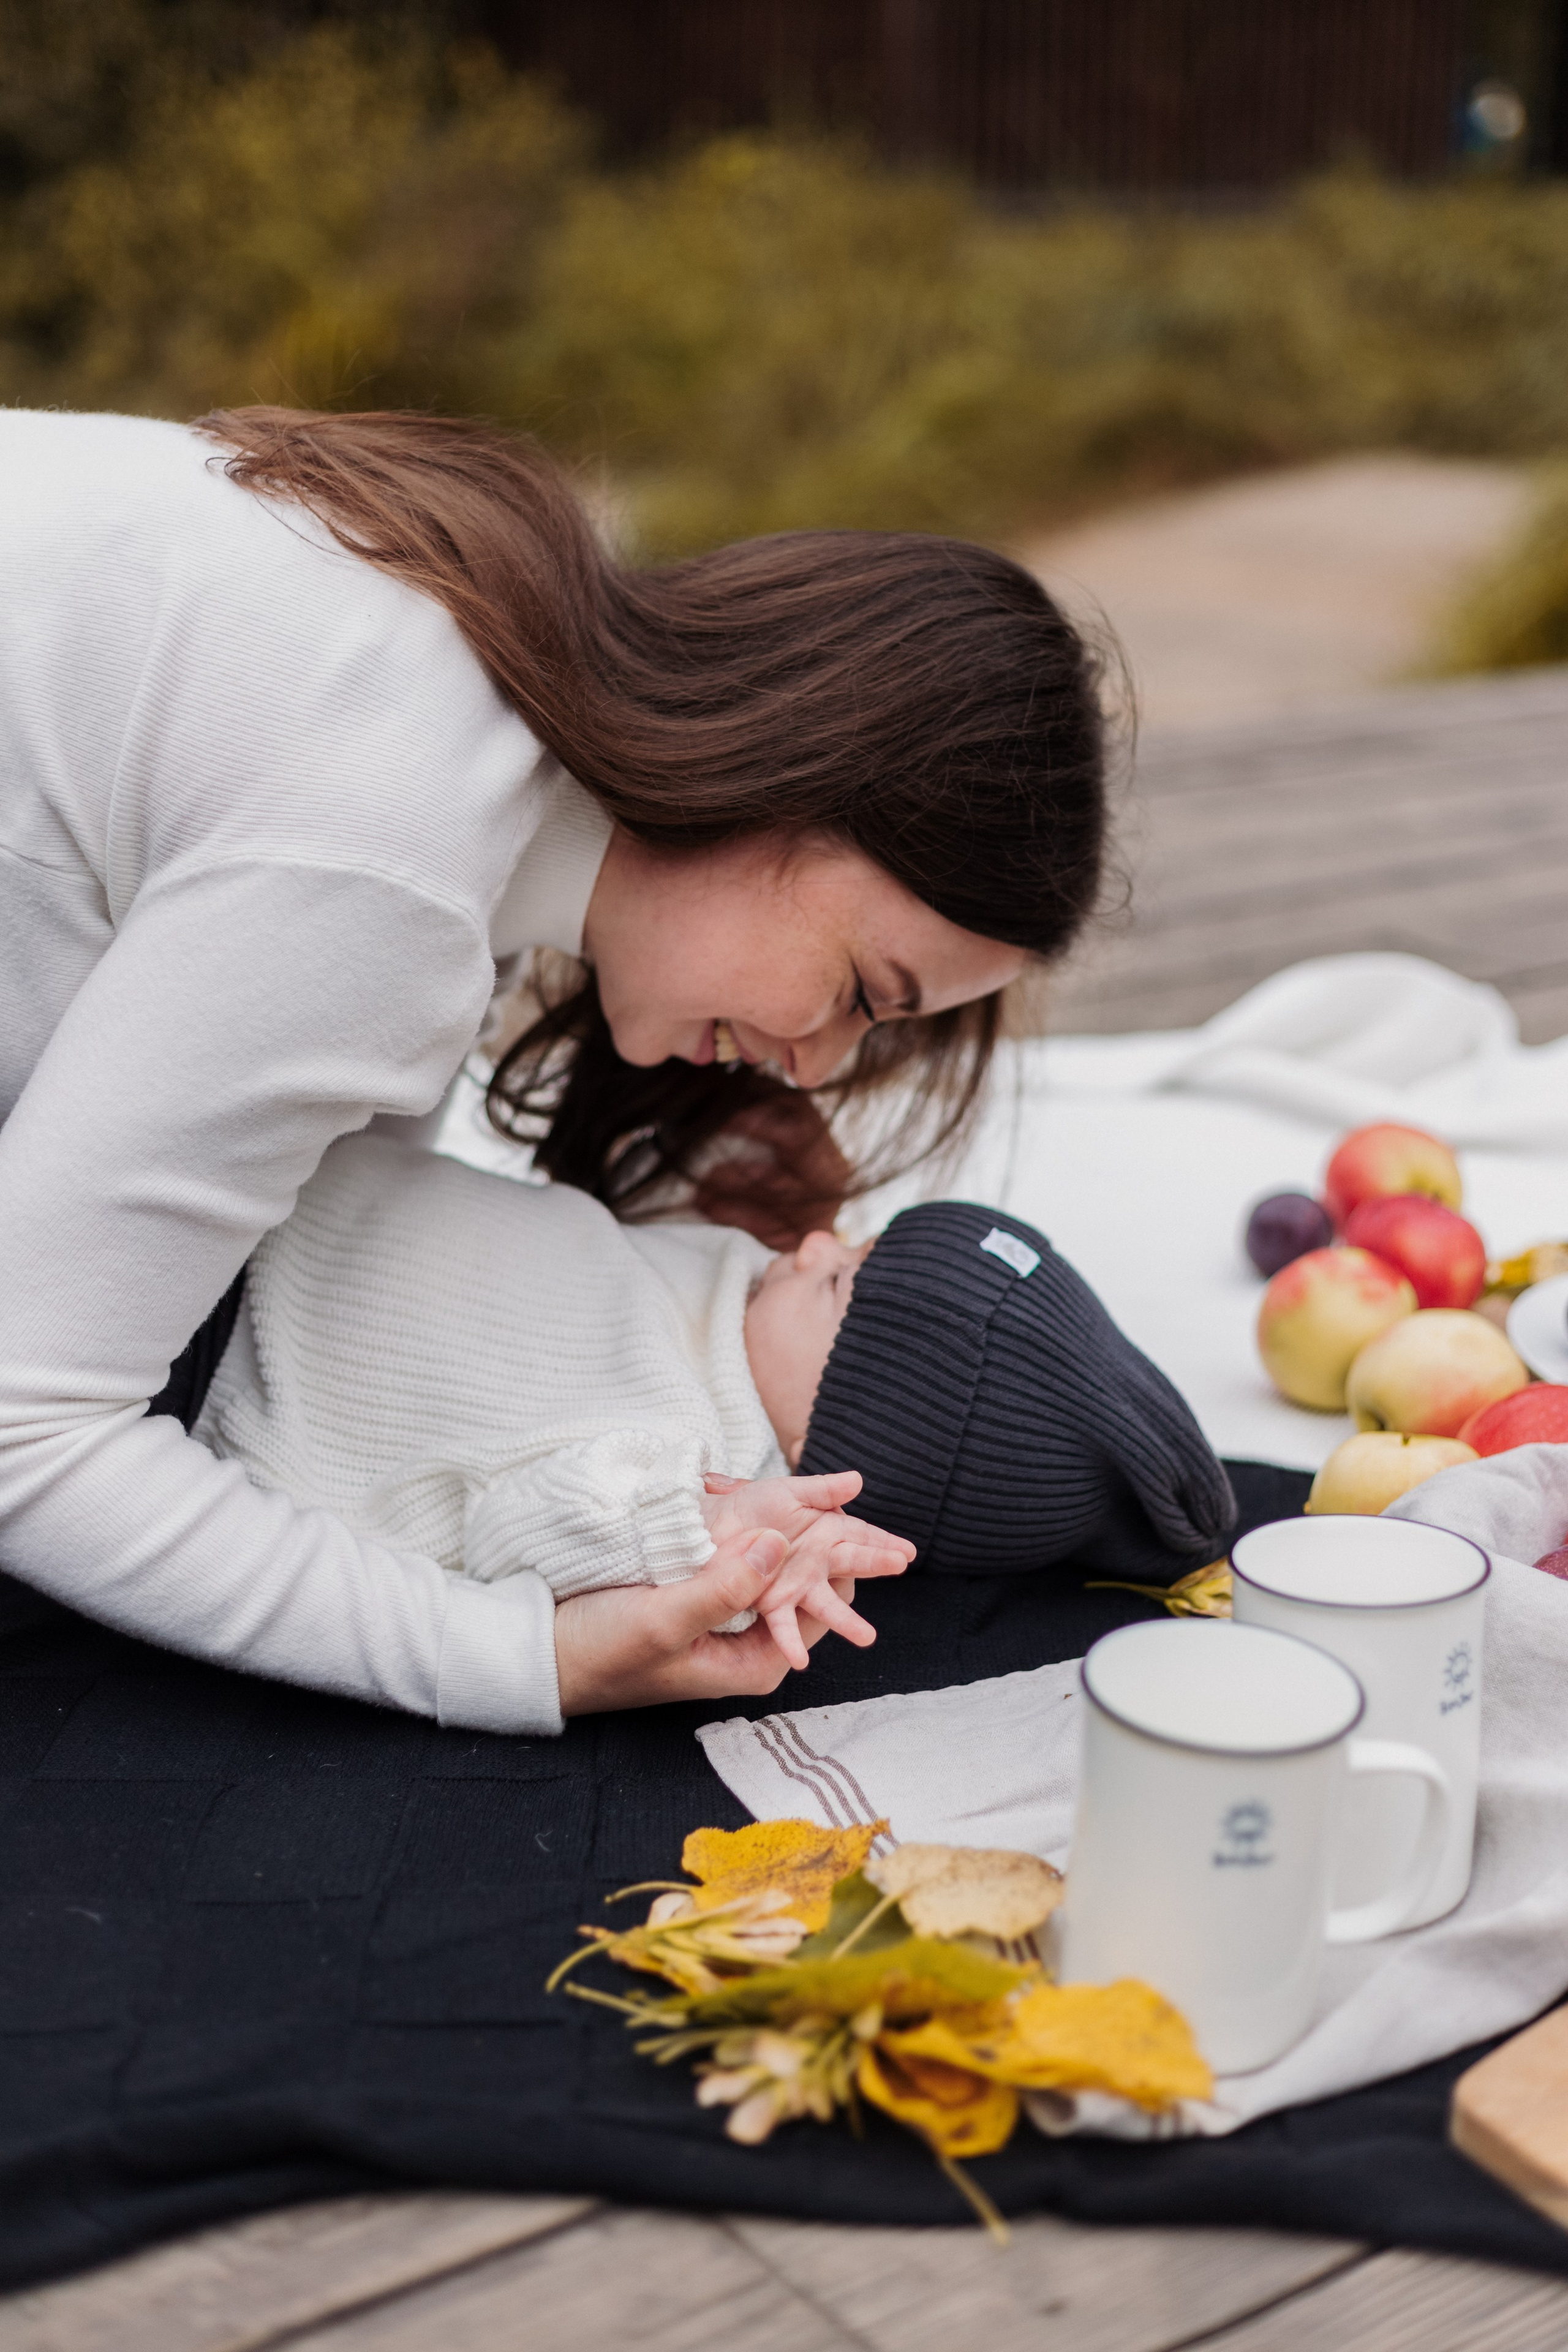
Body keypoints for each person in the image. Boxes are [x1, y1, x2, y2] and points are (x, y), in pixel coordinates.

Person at [0, 404, 1106, 1730]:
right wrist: (530, 1659)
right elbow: (27, 1429)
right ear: (793, 771)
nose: (814, 1069)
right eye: (865, 994)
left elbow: (306, 1233)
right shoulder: (393, 852)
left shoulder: (459, 691)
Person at [190, 1136, 1233, 1732]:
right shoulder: (741, 1293)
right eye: (852, 1243)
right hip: (277, 1181)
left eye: (837, 1281)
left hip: (244, 1345)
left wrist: (693, 1528)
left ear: (847, 1427)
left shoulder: (693, 1463)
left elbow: (520, 1536)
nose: (818, 1240)